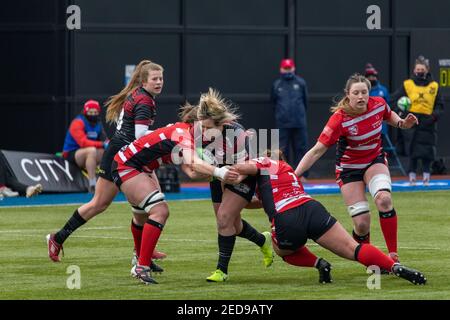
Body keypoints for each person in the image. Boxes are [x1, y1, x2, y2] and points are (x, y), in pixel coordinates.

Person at [230, 151, 426, 286]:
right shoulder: (288, 171)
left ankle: (319, 264)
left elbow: (241, 170)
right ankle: (394, 266)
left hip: (287, 217)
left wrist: (222, 170)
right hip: (312, 208)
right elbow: (265, 199)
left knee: (281, 250)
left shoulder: (264, 162)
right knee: (353, 248)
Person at [47, 60, 166, 271]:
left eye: (161, 78)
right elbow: (139, 135)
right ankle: (58, 237)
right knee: (101, 204)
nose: (159, 82)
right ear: (144, 81)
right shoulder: (145, 100)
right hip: (122, 156)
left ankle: (142, 254)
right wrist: (166, 134)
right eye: (154, 79)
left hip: (130, 155)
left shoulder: (139, 94)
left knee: (149, 206)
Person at [294, 73, 418, 265]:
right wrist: (294, 175)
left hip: (374, 161)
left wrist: (402, 123)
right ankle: (369, 260)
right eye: (356, 93)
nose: (361, 96)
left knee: (384, 200)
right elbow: (317, 151)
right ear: (348, 95)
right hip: (349, 170)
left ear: (369, 93)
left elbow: (389, 115)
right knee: (361, 224)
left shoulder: (378, 104)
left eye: (364, 92)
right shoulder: (339, 119)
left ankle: (393, 256)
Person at [110, 109, 242, 284]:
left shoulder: (188, 135)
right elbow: (194, 163)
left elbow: (191, 171)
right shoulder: (183, 134)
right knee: (160, 211)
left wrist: (212, 170)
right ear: (200, 124)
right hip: (127, 166)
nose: (213, 133)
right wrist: (219, 172)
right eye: (212, 126)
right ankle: (141, 267)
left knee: (142, 215)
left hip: (139, 168)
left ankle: (143, 259)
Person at [193, 89, 274, 283]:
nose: (203, 131)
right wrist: (206, 170)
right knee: (232, 225)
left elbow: (244, 170)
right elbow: (196, 164)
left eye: (207, 127)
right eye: (201, 127)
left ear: (221, 124)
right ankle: (263, 241)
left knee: (223, 218)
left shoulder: (236, 133)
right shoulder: (198, 131)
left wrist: (230, 177)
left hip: (242, 174)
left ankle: (222, 271)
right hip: (218, 174)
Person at [391, 55, 445, 186]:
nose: (420, 71)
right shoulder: (407, 84)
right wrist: (402, 113)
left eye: (422, 69)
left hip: (428, 122)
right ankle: (412, 177)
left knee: (427, 152)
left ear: (427, 69)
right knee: (412, 151)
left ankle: (426, 176)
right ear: (414, 70)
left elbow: (440, 105)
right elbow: (394, 100)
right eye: (418, 69)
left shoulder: (434, 86)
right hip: (412, 121)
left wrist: (433, 117)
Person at [270, 58, 309, 178]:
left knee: (301, 149)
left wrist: (300, 115)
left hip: (299, 123)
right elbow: (273, 102)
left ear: (293, 68)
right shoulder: (277, 84)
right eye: (285, 68)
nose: (287, 70)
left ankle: (302, 175)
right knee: (281, 150)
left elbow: (305, 101)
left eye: (289, 68)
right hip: (283, 124)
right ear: (281, 69)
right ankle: (282, 175)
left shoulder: (301, 83)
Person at [62, 99, 107, 193]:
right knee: (92, 150)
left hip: (90, 153)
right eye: (90, 112)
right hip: (72, 153)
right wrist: (102, 144)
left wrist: (109, 145)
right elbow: (83, 143)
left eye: (95, 112)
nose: (93, 114)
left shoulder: (98, 123)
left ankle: (107, 182)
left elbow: (104, 139)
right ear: (85, 111)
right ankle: (92, 184)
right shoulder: (78, 122)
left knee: (108, 152)